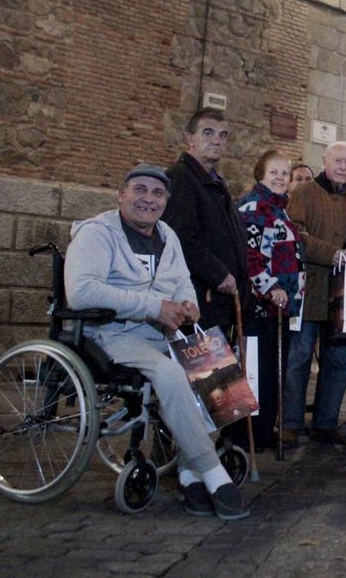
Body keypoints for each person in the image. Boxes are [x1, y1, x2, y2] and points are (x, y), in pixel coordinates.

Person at [65, 164, 249, 519]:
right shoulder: (96, 233)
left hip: (161, 332)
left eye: (157, 193)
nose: (148, 198)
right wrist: (153, 306)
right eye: (140, 190)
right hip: (111, 335)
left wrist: (188, 303)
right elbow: (82, 292)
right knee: (170, 374)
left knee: (218, 371)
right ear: (122, 195)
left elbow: (181, 280)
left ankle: (188, 472)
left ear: (165, 201)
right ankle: (213, 474)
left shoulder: (167, 235)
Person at [282, 141, 346, 447]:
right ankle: (291, 423)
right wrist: (330, 253)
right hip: (308, 288)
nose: (343, 167)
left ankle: (326, 422)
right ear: (325, 161)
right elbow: (294, 235)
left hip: (343, 294)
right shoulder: (303, 195)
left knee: (337, 360)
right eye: (338, 161)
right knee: (299, 357)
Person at [237, 150, 306, 451]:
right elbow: (251, 257)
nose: (280, 177)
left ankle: (264, 432)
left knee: (272, 372)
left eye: (284, 173)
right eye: (274, 172)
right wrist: (270, 288)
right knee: (259, 372)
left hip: (281, 307)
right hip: (264, 306)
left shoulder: (278, 207)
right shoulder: (255, 207)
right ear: (260, 174)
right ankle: (251, 434)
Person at [162, 108, 249, 328]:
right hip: (199, 296)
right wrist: (218, 274)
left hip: (220, 299)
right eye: (208, 133)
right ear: (190, 138)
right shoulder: (181, 177)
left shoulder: (214, 182)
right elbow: (181, 237)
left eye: (223, 135)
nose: (217, 140)